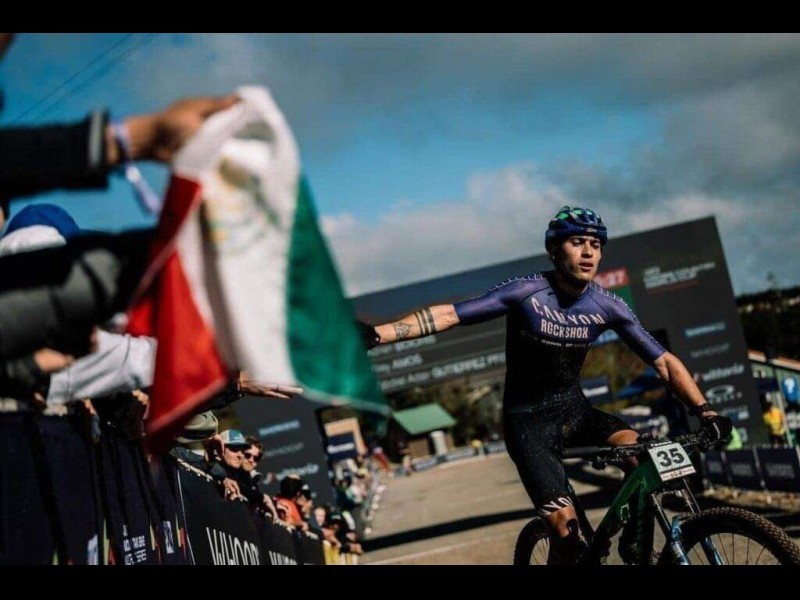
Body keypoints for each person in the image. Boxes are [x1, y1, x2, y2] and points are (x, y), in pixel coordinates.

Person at [359, 205, 733, 564]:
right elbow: (450, 315)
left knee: (640, 454)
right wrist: (379, 334)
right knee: (569, 539)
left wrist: (706, 411)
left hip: (575, 413)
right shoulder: (527, 292)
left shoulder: (608, 306)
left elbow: (664, 362)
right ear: (554, 250)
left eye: (596, 244)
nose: (588, 252)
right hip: (528, 425)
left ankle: (635, 546)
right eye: (577, 242)